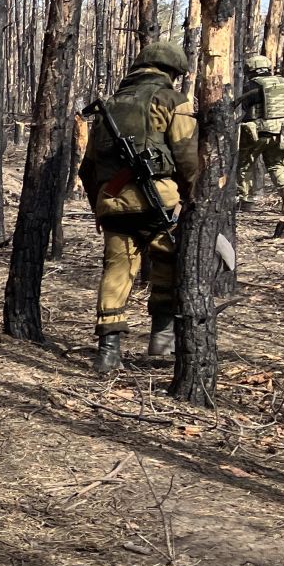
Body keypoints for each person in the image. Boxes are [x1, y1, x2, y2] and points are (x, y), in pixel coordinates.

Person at [76, 40, 199, 374]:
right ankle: (161, 339)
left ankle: (108, 352)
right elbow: (188, 156)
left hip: (114, 205)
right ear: (171, 72)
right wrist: (194, 196)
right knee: (169, 262)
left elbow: (87, 169)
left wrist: (101, 207)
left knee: (117, 272)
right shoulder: (172, 100)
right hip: (161, 201)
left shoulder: (109, 106)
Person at [239, 53, 284, 217]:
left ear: (251, 69)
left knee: (244, 165)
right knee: (277, 166)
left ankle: (245, 201)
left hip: (257, 133)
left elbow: (245, 107)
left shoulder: (251, 86)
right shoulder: (282, 84)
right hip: (281, 133)